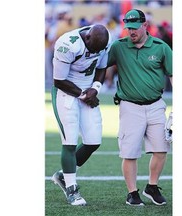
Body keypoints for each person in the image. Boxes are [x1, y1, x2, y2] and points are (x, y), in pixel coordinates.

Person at [107, 9, 172, 206]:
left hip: (156, 106)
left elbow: (173, 75)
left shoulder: (161, 47)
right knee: (129, 152)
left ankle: (152, 187)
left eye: (135, 28)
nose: (131, 32)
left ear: (145, 25)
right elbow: (101, 66)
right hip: (130, 106)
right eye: (129, 28)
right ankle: (132, 192)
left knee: (161, 150)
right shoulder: (118, 47)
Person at [51, 24, 111, 206]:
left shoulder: (103, 43)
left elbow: (102, 67)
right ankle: (71, 188)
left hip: (87, 91)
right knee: (69, 141)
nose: (97, 52)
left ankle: (62, 175)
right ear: (87, 39)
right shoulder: (68, 44)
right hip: (66, 93)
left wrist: (95, 88)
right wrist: (84, 95)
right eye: (94, 49)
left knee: (93, 141)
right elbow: (59, 80)